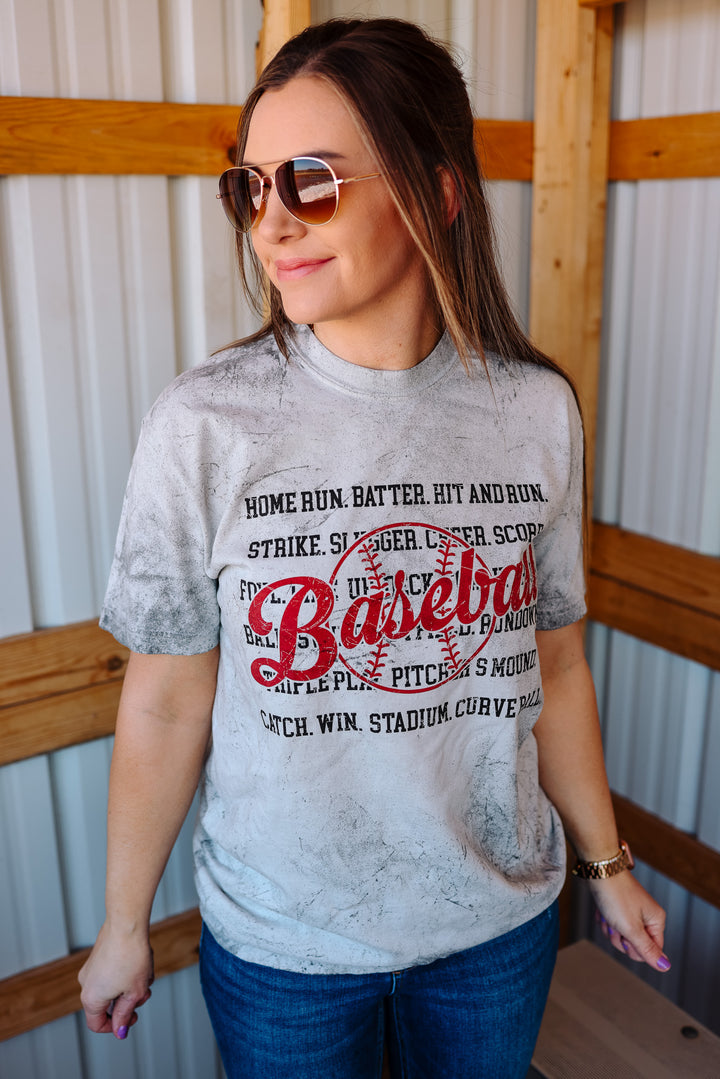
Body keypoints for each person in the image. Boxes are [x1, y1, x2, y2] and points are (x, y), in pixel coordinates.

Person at [79, 17, 669, 1079]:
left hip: (495, 931)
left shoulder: (535, 412)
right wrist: (124, 922)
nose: (271, 223)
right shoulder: (204, 425)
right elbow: (166, 698)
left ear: (436, 192)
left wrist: (606, 862)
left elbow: (554, 663)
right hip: (286, 952)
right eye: (251, 188)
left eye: (310, 181)